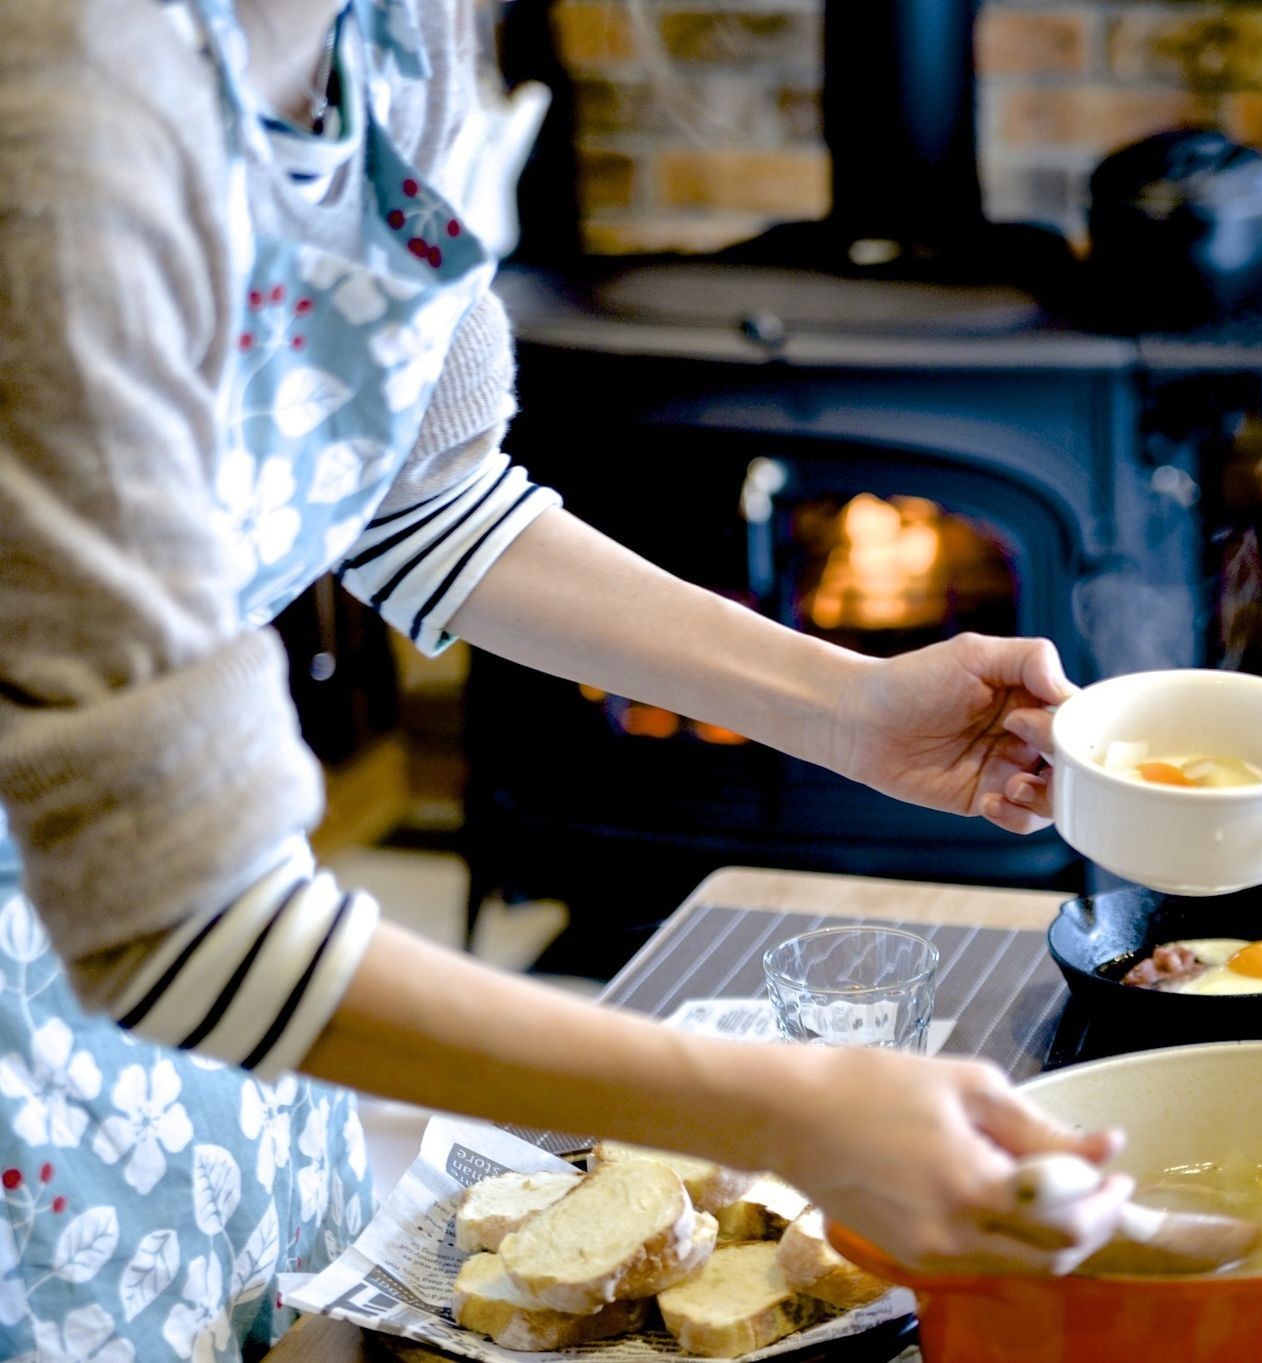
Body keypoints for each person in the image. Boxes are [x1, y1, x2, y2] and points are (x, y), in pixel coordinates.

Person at [0, 0, 1127, 1352]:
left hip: (223, 1048)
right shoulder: (69, 115)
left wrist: (847, 705)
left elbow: (425, 503)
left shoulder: (400, 34)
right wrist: (784, 1109)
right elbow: (179, 924)